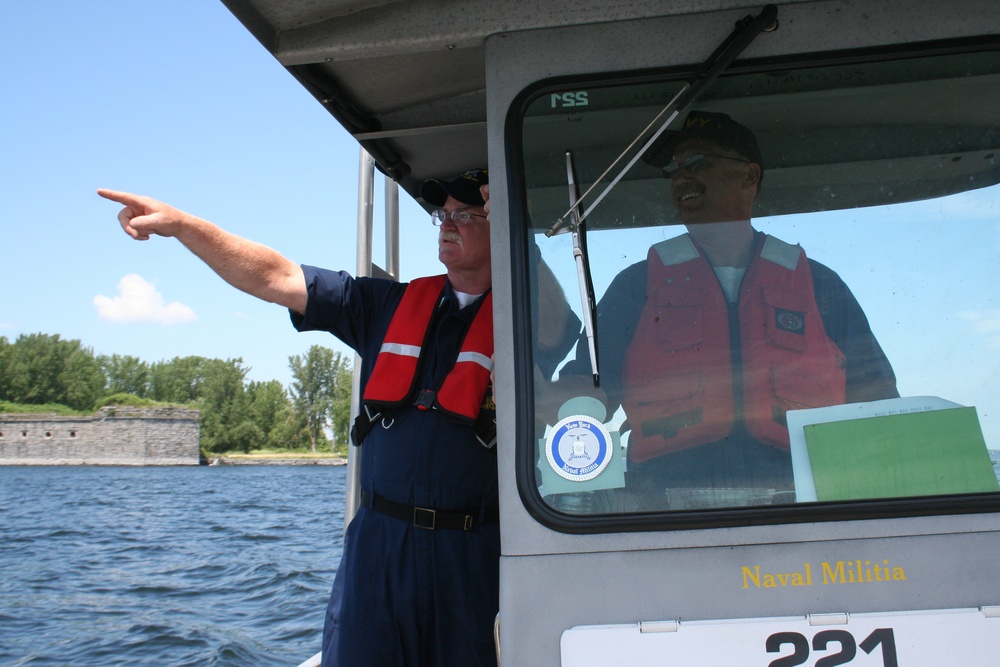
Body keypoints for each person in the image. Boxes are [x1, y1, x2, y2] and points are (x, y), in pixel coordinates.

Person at [99, 168, 515, 666]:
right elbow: (277, 275)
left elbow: (556, 327)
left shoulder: (528, 313)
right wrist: (184, 226)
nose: (447, 224)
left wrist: (518, 227)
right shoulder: (382, 304)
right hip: (378, 552)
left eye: (465, 215)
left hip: (471, 557)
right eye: (441, 215)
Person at [560, 111, 899, 507]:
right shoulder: (636, 287)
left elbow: (877, 402)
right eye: (673, 168)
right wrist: (536, 393)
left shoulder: (820, 286)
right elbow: (587, 391)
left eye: (697, 163)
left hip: (803, 509)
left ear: (749, 177)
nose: (681, 177)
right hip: (660, 514)